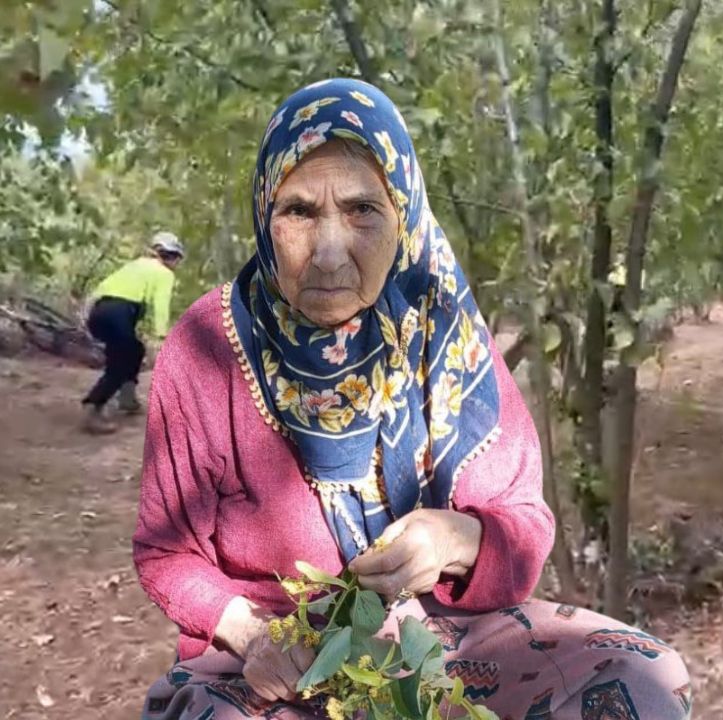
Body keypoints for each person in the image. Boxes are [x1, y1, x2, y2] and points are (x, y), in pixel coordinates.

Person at [134, 79, 690, 720]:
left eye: (362, 210)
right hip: (276, 659)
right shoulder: (207, 348)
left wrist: (454, 539)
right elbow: (166, 553)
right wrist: (250, 631)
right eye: (300, 212)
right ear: (264, 214)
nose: (329, 253)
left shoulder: (443, 330)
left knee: (641, 679)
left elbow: (523, 526)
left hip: (442, 643)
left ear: (404, 213)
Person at [81, 231, 184, 434]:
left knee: (134, 349)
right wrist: (162, 336)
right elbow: (160, 306)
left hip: (98, 313)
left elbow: (98, 292)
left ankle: (127, 398)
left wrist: (86, 319)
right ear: (173, 256)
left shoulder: (135, 265)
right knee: (123, 360)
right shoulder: (164, 273)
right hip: (119, 312)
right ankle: (93, 406)